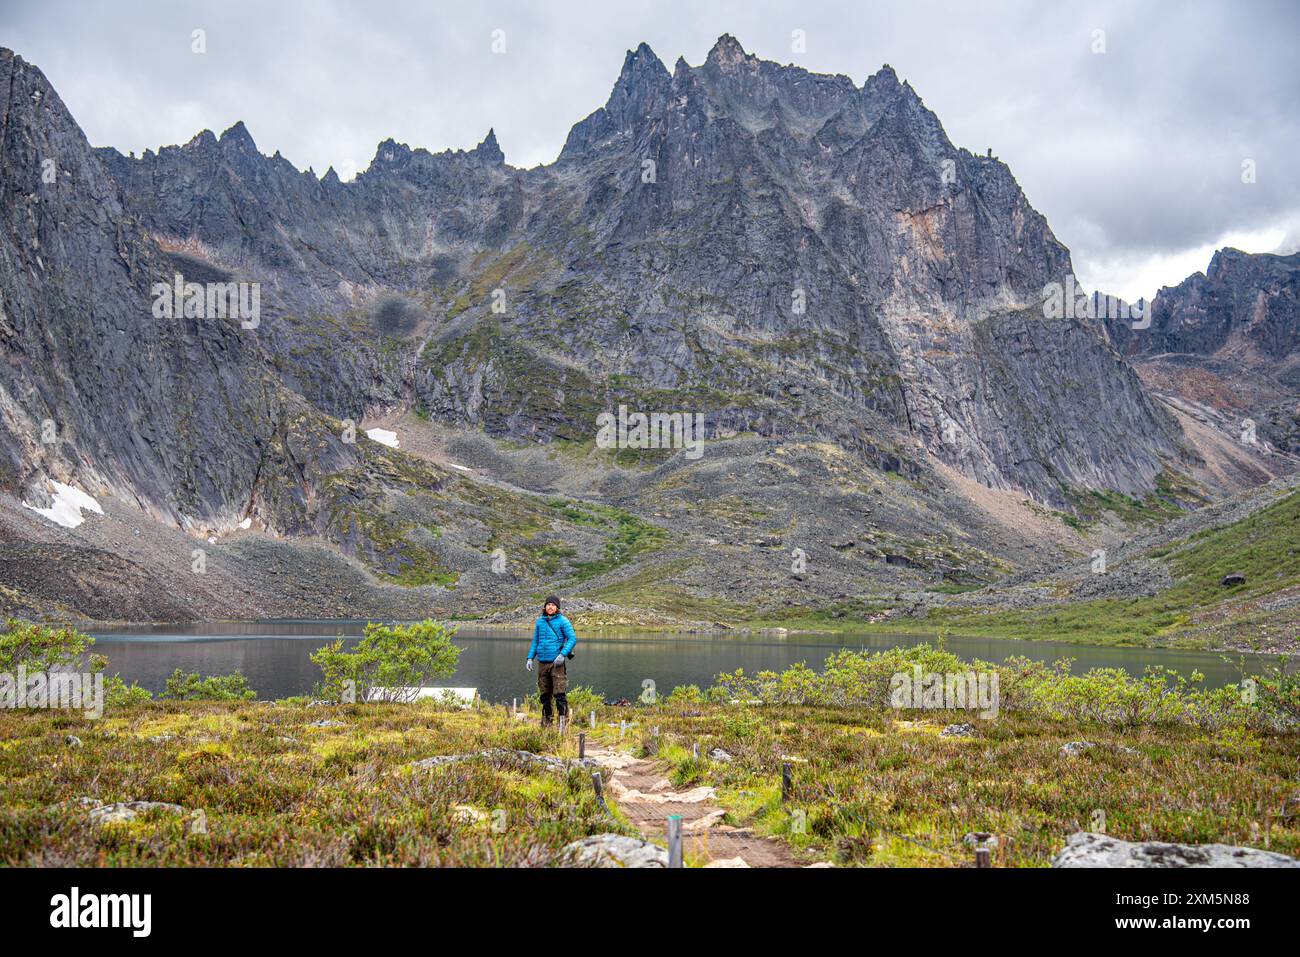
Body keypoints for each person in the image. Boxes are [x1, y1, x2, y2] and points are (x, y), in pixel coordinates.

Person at [525, 595, 578, 728]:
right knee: (544, 695)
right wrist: (530, 658)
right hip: (542, 662)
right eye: (548, 604)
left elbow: (572, 638)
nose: (550, 607)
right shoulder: (540, 622)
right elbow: (535, 642)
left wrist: (562, 655)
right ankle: (547, 722)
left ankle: (563, 724)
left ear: (557, 607)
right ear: (545, 606)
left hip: (556, 663)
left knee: (559, 693)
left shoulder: (563, 621)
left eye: (553, 605)